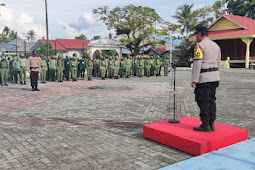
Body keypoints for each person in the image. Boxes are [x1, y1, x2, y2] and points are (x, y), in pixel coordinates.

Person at [192, 26, 221, 132]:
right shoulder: (216, 45)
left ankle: (205, 124)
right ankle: (211, 123)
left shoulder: (200, 46)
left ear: (200, 34)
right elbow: (218, 63)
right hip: (214, 77)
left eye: (196, 35)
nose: (196, 37)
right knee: (211, 100)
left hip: (204, 78)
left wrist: (194, 80)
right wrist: (218, 76)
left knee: (203, 101)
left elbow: (197, 63)